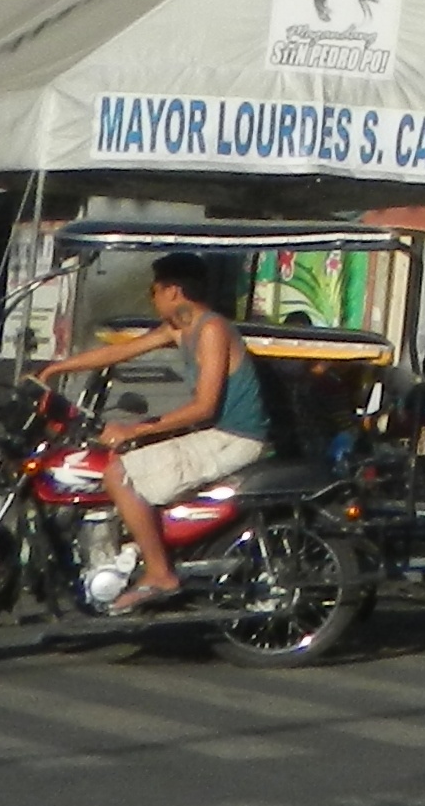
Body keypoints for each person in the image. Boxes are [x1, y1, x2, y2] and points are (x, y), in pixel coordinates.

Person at [43, 254, 269, 612]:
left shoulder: (211, 330)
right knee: (115, 459)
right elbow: (119, 352)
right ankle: (130, 551)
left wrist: (134, 428)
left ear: (174, 291)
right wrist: (56, 369)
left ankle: (160, 573)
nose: (152, 298)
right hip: (214, 434)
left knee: (117, 473)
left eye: (154, 290)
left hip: (234, 437)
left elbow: (204, 407)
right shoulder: (178, 328)